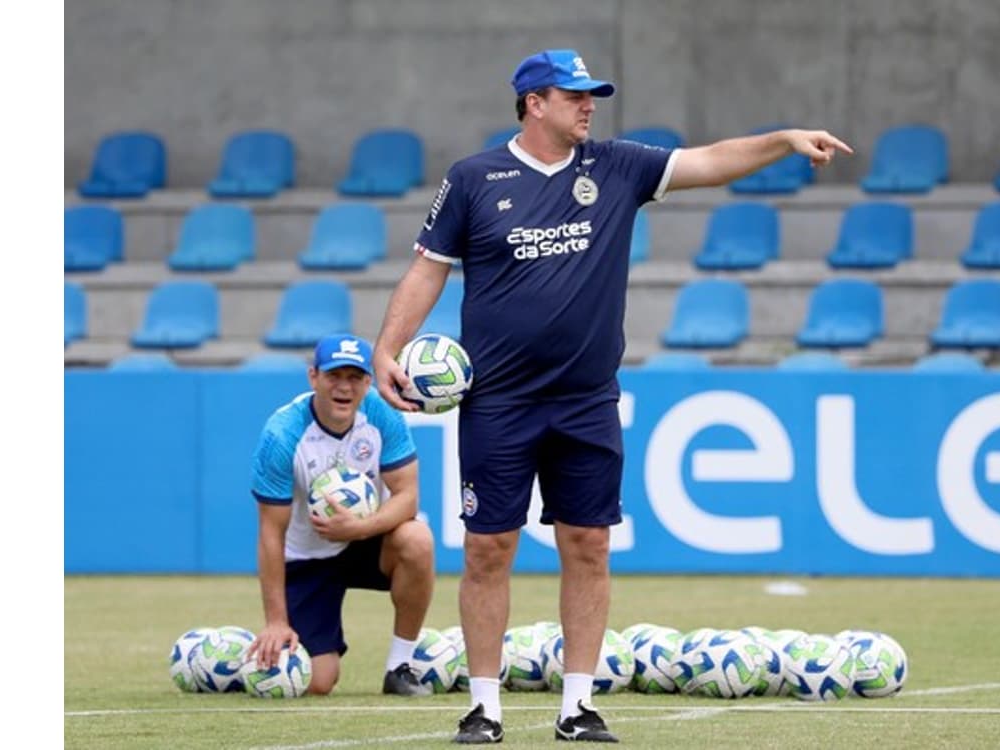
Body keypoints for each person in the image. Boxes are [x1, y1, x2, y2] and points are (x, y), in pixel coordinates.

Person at [371, 49, 852, 743]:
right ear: (534, 102)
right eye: (574, 95)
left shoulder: (617, 167)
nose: (589, 104)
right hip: (499, 401)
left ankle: (577, 707)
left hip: (586, 400)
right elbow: (428, 272)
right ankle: (484, 707)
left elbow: (711, 161)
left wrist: (782, 140)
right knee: (488, 549)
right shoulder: (475, 179)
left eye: (591, 93)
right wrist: (387, 347)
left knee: (589, 544)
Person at [244, 333, 437, 697]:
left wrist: (361, 527)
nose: (344, 387)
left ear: (368, 381)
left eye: (354, 377)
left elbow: (407, 497)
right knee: (317, 682)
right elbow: (271, 532)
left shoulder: (380, 413)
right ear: (313, 376)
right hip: (307, 557)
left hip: (366, 539)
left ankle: (399, 667)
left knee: (418, 539)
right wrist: (276, 620)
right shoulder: (282, 434)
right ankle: (232, 658)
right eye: (334, 376)